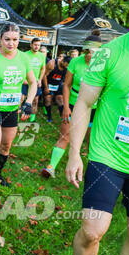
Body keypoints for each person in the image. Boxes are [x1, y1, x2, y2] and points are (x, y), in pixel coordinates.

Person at [56, 9, 129, 255]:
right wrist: (75, 153)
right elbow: (85, 103)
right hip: (108, 156)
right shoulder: (113, 52)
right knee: (93, 230)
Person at [0, 23, 37, 204]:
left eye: (15, 40)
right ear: (0, 40)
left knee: (6, 146)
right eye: (7, 39)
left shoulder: (24, 58)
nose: (11, 43)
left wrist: (28, 103)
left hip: (12, 108)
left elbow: (33, 82)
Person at [42, 34, 102, 178]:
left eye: (93, 52)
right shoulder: (75, 62)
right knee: (65, 134)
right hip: (74, 104)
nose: (89, 55)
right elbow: (67, 85)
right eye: (87, 51)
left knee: (91, 140)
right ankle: (51, 167)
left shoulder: (104, 64)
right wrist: (66, 107)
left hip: (94, 107)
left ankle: (91, 172)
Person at [21, 37, 46, 122]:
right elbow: (20, 68)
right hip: (24, 81)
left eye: (38, 45)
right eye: (35, 45)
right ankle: (16, 116)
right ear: (31, 45)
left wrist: (40, 79)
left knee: (35, 100)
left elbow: (43, 68)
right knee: (20, 99)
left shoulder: (42, 56)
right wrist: (23, 80)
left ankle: (32, 118)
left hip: (35, 82)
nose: (37, 47)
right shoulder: (24, 55)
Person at [42, 54, 71, 123]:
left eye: (67, 66)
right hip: (49, 83)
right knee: (48, 99)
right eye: (65, 65)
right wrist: (46, 87)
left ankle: (62, 117)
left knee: (60, 99)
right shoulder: (52, 63)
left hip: (58, 84)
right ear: (62, 61)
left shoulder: (67, 67)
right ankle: (49, 117)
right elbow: (44, 75)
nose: (66, 67)